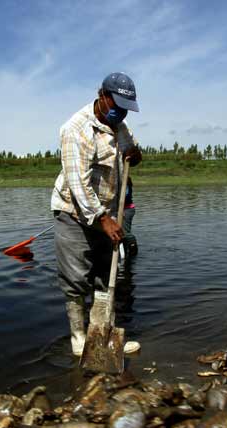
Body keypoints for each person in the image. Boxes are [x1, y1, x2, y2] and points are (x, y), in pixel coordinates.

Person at [51, 72, 143, 356]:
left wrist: (135, 154)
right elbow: (77, 183)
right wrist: (102, 219)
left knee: (107, 273)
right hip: (73, 213)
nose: (120, 112)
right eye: (116, 104)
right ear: (102, 96)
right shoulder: (75, 130)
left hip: (107, 212)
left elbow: (130, 149)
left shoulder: (119, 125)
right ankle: (79, 338)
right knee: (77, 277)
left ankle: (103, 334)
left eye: (125, 108)